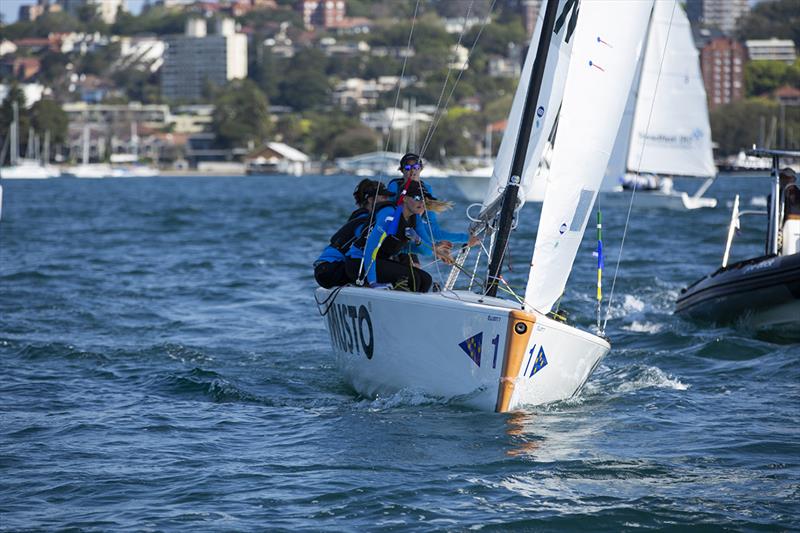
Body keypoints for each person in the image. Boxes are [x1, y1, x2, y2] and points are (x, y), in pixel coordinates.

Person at [345, 181, 441, 292]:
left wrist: (417, 240)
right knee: (412, 279)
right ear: (404, 198)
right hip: (359, 262)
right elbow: (370, 248)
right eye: (417, 197)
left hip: (381, 261)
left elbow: (427, 252)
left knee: (426, 280)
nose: (422, 202)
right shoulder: (389, 214)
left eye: (424, 199)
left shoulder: (415, 218)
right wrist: (372, 282)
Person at [386, 152, 478, 263]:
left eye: (416, 167)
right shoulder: (394, 186)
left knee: (420, 262)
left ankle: (434, 248)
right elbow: (389, 214)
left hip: (412, 236)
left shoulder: (426, 189)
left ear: (420, 169)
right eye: (407, 167)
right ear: (402, 170)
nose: (412, 171)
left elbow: (432, 229)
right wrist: (465, 239)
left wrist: (434, 246)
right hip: (395, 235)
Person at [313, 179, 392, 288]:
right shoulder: (364, 220)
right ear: (370, 200)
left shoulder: (359, 217)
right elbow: (366, 244)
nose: (388, 200)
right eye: (383, 197)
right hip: (331, 269)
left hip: (324, 269)